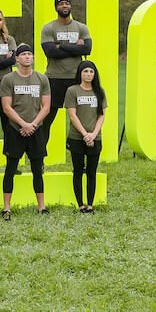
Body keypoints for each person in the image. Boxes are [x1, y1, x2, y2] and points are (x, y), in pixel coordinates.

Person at [0, 43, 51, 218]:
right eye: (24, 54)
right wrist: (23, 124)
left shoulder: (42, 79)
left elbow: (46, 107)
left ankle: (41, 206)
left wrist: (33, 125)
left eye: (30, 54)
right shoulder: (8, 79)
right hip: (16, 129)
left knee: (38, 169)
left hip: (36, 129)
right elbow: (7, 107)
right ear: (17, 59)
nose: (27, 57)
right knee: (11, 168)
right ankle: (7, 207)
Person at [39, 0, 92, 139]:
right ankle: (40, 155)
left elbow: (86, 49)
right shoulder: (48, 28)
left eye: (67, 3)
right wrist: (75, 47)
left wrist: (60, 46)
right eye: (61, 3)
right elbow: (50, 51)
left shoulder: (81, 27)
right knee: (46, 118)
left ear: (71, 6)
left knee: (80, 117)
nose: (64, 6)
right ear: (56, 7)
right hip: (54, 78)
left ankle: (77, 147)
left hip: (76, 78)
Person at [64, 60, 106, 213]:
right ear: (80, 74)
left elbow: (101, 115)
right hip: (77, 137)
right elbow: (72, 115)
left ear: (94, 74)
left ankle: (90, 204)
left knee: (91, 171)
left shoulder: (99, 92)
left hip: (95, 137)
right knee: (78, 170)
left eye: (91, 72)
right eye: (85, 71)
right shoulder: (72, 91)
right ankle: (80, 204)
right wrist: (84, 134)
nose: (88, 74)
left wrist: (93, 134)